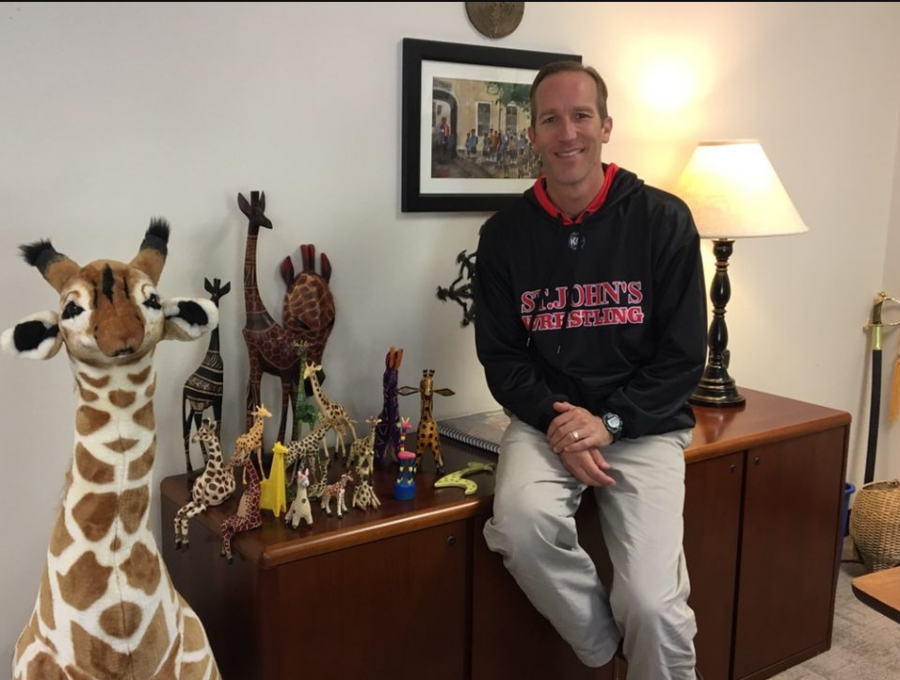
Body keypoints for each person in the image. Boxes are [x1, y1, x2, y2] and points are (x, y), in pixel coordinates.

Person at [473, 61, 707, 680]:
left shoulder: (663, 219)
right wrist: (565, 425)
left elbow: (683, 354)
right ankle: (606, 654)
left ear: (605, 126)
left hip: (646, 424)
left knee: (654, 606)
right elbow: (502, 359)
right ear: (532, 134)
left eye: (580, 116)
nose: (566, 132)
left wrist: (609, 420)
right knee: (519, 527)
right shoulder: (502, 237)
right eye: (550, 119)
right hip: (547, 420)